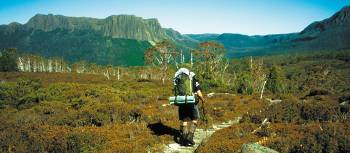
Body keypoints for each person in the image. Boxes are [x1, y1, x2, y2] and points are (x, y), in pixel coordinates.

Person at [173, 68, 205, 146]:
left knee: (184, 120)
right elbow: (199, 92)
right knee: (195, 119)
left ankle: (184, 139)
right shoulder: (193, 79)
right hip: (191, 102)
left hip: (182, 101)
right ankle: (190, 137)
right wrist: (203, 99)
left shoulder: (179, 78)